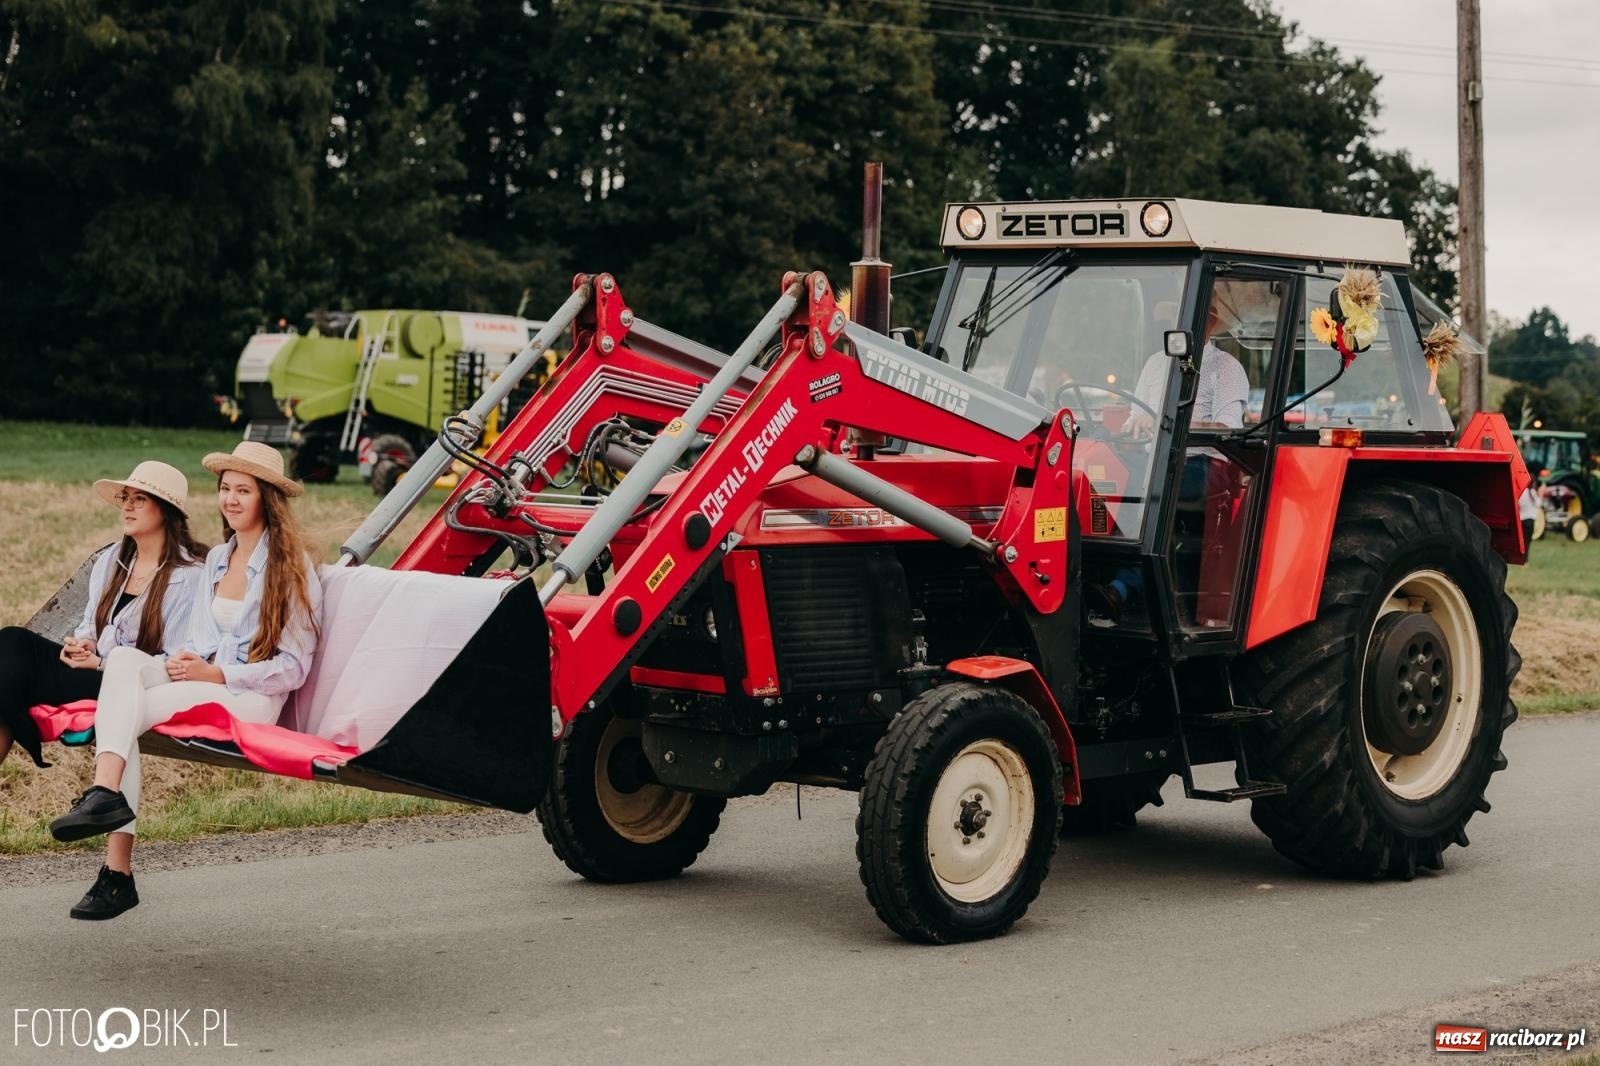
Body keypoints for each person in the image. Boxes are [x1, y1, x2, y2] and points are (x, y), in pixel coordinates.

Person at [50, 442, 323, 920]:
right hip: (207, 678)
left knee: (124, 710)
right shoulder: (218, 559)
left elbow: (293, 667)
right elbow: (199, 635)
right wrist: (189, 660)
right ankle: (106, 796)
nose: (231, 500)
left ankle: (114, 858)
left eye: (243, 490)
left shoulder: (290, 566)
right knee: (126, 662)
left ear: (267, 500)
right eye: (224, 489)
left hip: (251, 695)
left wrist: (218, 672)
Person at [0, 462, 206, 771]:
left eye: (140, 499)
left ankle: (23, 727)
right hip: (91, 673)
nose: (127, 507)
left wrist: (101, 664)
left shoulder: (189, 577)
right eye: (126, 498)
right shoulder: (112, 559)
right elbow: (89, 627)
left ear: (165, 510)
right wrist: (82, 644)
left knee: (8, 684)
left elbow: (175, 663)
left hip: (131, 685)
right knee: (12, 640)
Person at [1086, 300, 1249, 622]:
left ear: (1210, 325)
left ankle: (1123, 587)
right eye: (1173, 320)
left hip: (1204, 462)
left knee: (1152, 486)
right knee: (1098, 478)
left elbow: (1227, 426)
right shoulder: (1155, 364)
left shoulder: (1226, 367)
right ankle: (1094, 571)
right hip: (1153, 458)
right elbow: (1136, 417)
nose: (1178, 326)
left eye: (1188, 320)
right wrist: (1134, 429)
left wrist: (1167, 423)